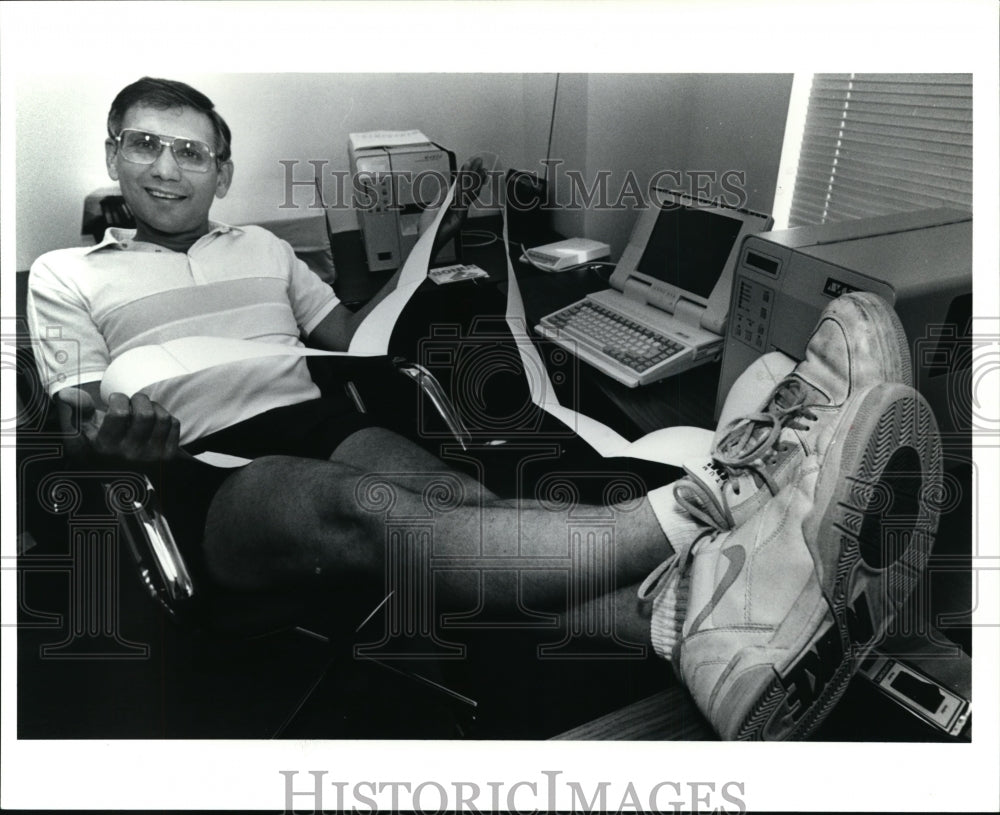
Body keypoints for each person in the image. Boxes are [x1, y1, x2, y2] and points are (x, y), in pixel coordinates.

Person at [26, 77, 936, 739]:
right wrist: (114, 441)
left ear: (222, 172)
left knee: (465, 508)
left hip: (319, 419)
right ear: (115, 154)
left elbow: (356, 333)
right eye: (145, 144)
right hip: (203, 462)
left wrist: (435, 260)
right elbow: (72, 415)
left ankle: (712, 629)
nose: (167, 167)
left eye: (191, 151)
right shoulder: (68, 275)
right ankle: (717, 496)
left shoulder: (262, 247)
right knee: (368, 511)